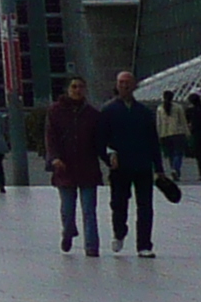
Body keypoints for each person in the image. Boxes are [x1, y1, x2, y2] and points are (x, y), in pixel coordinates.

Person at [97, 70, 162, 258]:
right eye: (121, 82)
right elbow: (101, 141)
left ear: (134, 85)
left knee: (145, 206)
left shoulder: (144, 112)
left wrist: (159, 168)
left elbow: (153, 141)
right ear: (117, 85)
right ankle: (119, 231)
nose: (124, 86)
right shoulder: (108, 111)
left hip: (142, 165)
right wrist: (109, 157)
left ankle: (144, 245)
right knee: (118, 204)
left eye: (128, 82)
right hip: (120, 167)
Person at [44, 75, 103, 256]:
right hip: (65, 168)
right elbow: (50, 137)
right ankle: (68, 232)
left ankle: (92, 247)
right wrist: (54, 158)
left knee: (89, 210)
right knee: (68, 210)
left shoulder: (92, 114)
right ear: (68, 90)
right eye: (74, 87)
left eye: (81, 87)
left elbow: (99, 141)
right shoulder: (56, 111)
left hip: (88, 167)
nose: (77, 90)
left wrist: (110, 156)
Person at [158, 91, 191, 180]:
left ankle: (174, 168)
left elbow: (159, 123)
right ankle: (175, 169)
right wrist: (187, 133)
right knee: (178, 153)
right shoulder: (178, 107)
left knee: (170, 154)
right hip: (178, 133)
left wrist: (159, 134)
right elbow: (183, 121)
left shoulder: (160, 108)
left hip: (165, 134)